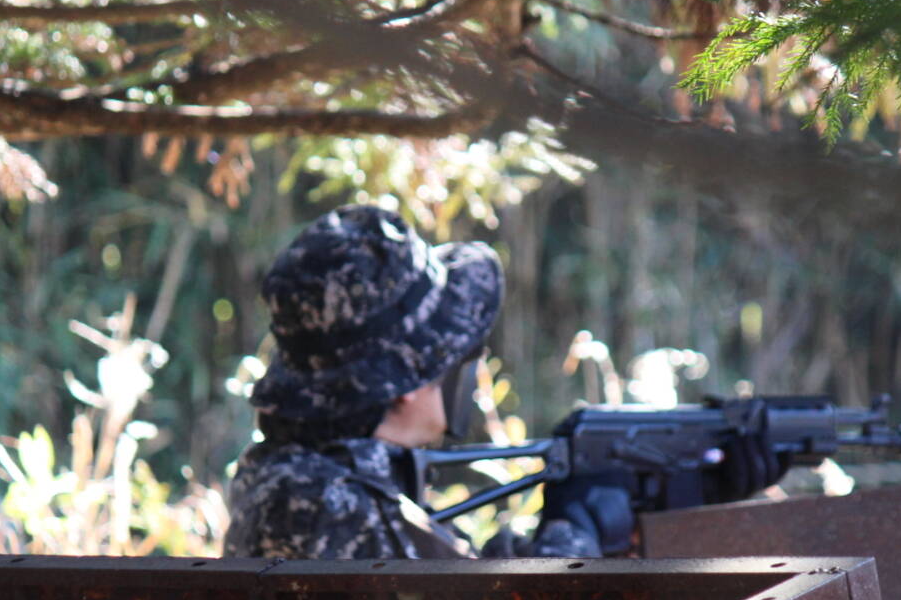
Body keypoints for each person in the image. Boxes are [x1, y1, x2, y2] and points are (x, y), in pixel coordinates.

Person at [222, 205, 619, 560]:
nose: (470, 369)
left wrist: (521, 553)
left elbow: (438, 576)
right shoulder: (327, 504)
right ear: (408, 382)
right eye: (461, 354)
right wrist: (575, 542)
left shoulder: (302, 473)